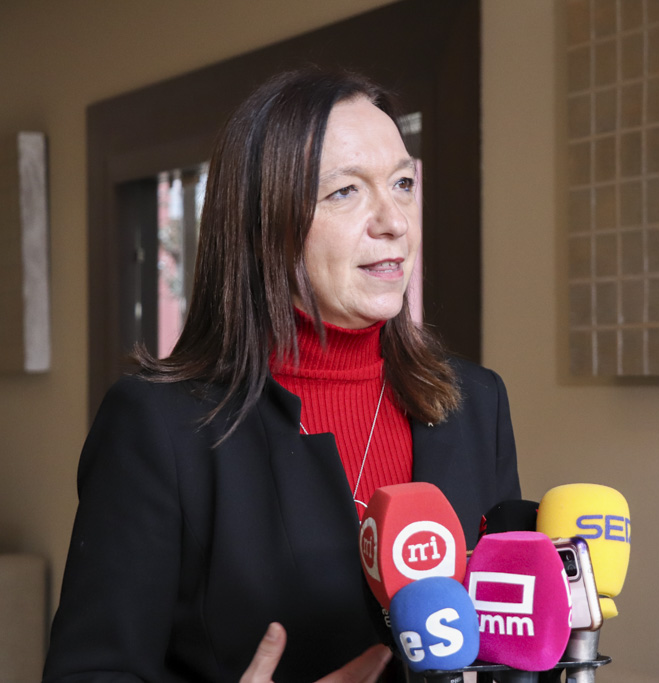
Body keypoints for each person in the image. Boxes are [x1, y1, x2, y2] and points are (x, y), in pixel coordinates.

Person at [43, 67, 521, 683]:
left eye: (403, 183)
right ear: (262, 224)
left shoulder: (477, 401)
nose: (395, 221)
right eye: (345, 192)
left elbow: (506, 636)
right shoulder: (159, 426)